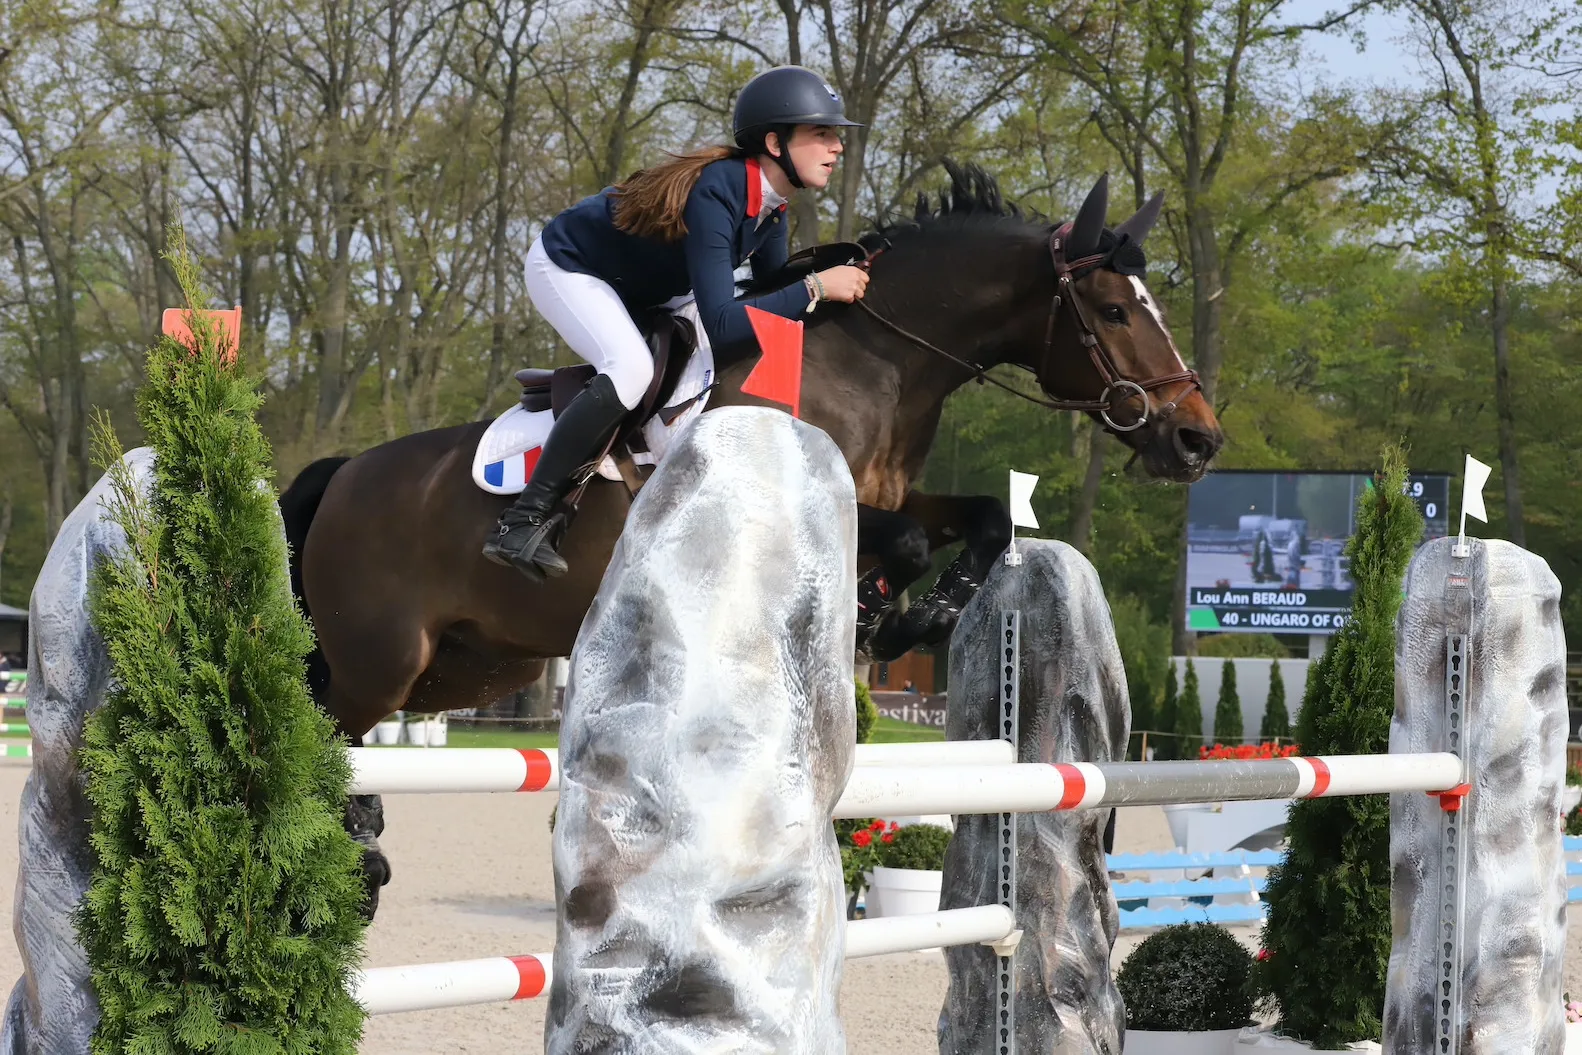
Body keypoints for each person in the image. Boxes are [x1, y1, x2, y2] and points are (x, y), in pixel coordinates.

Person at [483, 65, 872, 581]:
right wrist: (819, 287)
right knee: (630, 371)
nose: (836, 147)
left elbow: (769, 289)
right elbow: (728, 325)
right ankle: (523, 519)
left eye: (835, 136)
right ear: (776, 142)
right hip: (570, 266)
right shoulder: (718, 190)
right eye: (821, 134)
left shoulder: (773, 206)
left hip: (646, 285)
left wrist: (847, 270)